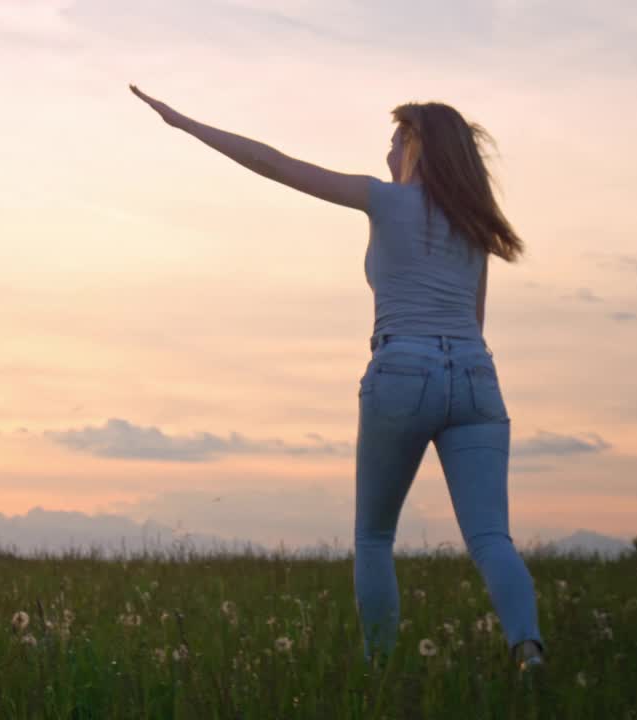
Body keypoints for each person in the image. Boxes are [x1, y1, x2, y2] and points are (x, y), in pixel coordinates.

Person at [130, 85, 543, 670]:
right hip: (476, 376)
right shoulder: (476, 227)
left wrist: (186, 123)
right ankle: (529, 654)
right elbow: (475, 323)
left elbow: (272, 163)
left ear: (422, 145)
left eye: (400, 136)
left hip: (403, 369)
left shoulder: (381, 200)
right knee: (491, 538)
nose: (391, 145)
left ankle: (379, 669)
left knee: (374, 537)